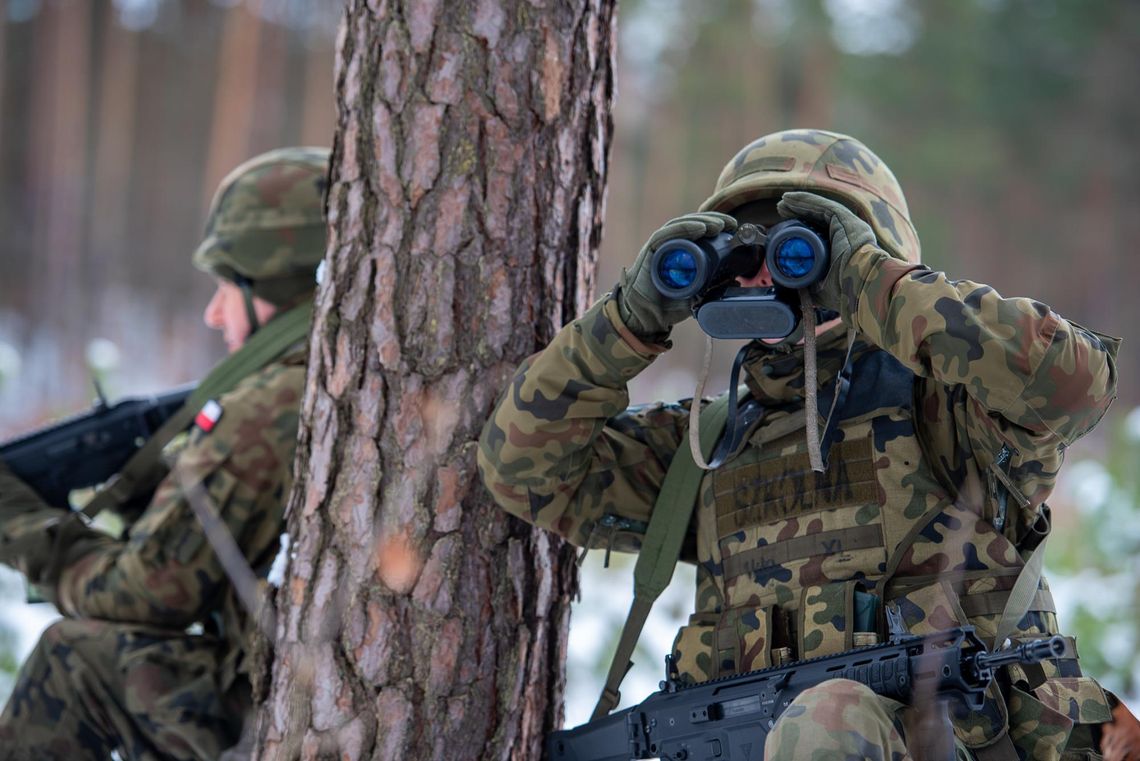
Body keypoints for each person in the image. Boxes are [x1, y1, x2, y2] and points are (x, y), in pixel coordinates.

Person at [478, 129, 1125, 759]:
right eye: (743, 251)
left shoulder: (957, 413)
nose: (765, 275)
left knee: (828, 716)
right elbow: (523, 467)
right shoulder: (707, 445)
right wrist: (628, 318)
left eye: (796, 252)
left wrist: (871, 282)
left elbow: (1076, 380)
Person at [0, 146, 329, 760]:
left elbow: (146, 594)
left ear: (276, 283)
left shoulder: (268, 406)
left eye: (228, 288)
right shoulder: (323, 377)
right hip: (314, 693)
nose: (213, 313)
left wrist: (27, 532)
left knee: (72, 661)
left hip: (278, 718)